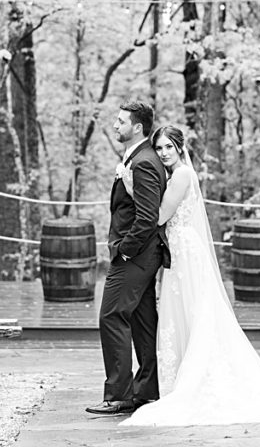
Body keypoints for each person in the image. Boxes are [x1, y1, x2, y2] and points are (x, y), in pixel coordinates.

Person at [121, 124, 260, 426]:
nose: (162, 153)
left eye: (167, 147)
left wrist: (130, 183)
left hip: (185, 254)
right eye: (158, 148)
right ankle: (182, 374)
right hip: (179, 253)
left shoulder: (183, 174)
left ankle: (193, 378)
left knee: (191, 313)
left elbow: (159, 215)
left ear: (179, 147)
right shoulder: (176, 174)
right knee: (184, 314)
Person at [86, 101, 168, 415]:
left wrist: (124, 250)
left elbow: (148, 217)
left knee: (112, 317)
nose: (116, 125)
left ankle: (119, 394)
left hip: (135, 256)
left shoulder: (144, 162)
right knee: (143, 321)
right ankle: (147, 390)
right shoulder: (138, 157)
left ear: (137, 127)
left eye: (121, 121)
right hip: (145, 256)